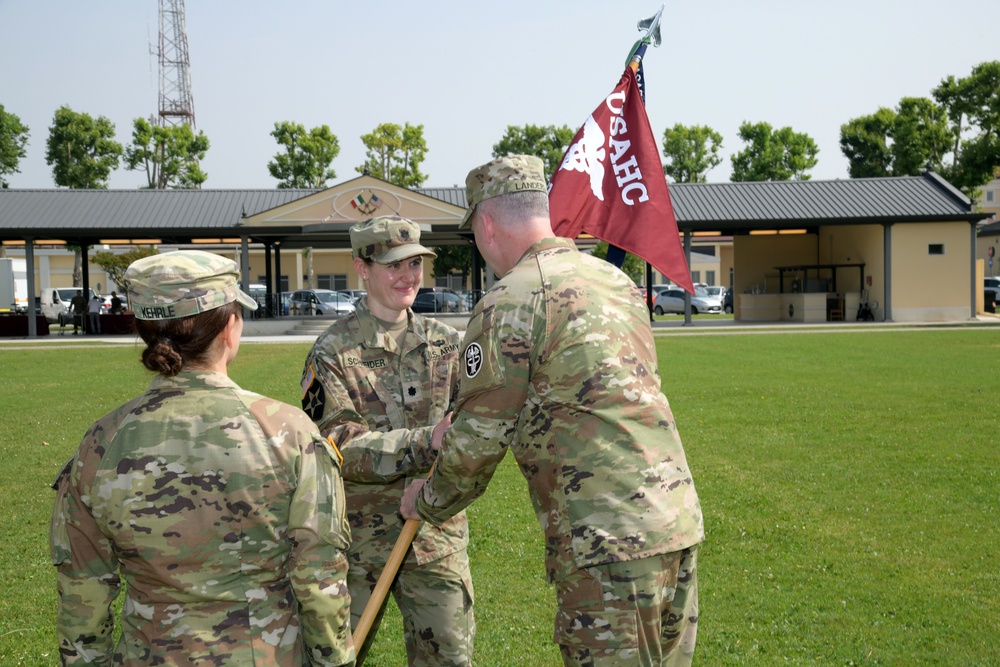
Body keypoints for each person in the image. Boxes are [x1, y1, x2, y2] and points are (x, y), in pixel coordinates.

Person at [402, 155, 704, 667]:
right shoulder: (615, 282)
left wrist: (426, 499)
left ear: (487, 223)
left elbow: (477, 441)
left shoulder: (509, 301)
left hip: (606, 542)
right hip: (674, 521)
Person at [50, 250, 355, 666]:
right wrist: (334, 660)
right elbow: (318, 575)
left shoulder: (102, 442)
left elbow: (83, 585)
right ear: (230, 327)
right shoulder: (288, 432)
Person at [301, 216, 474, 666]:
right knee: (338, 659)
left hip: (437, 538)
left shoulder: (447, 344)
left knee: (448, 660)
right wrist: (425, 441)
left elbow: (475, 433)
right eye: (394, 265)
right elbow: (336, 446)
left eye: (415, 264)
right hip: (359, 544)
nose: (408, 276)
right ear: (362, 268)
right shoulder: (332, 352)